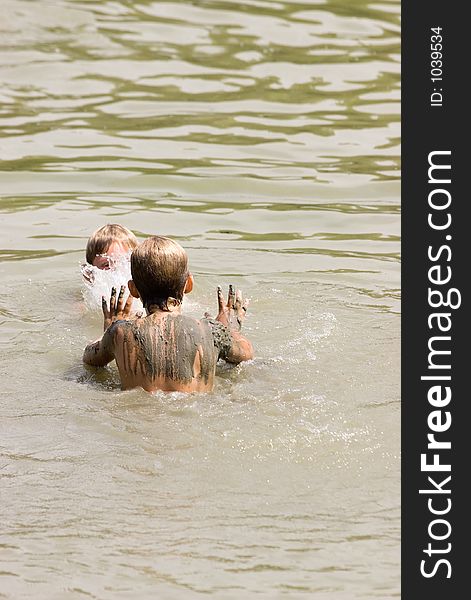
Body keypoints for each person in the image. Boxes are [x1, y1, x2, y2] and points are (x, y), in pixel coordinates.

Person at [83, 236, 254, 392]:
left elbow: (90, 359)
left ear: (133, 289)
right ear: (188, 284)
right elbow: (246, 354)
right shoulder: (210, 330)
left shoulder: (120, 332)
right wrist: (229, 329)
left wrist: (110, 328)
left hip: (140, 418)